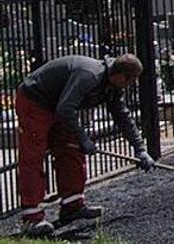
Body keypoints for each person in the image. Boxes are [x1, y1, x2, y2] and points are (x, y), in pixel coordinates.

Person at [15, 54, 155, 237]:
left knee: (72, 150)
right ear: (122, 76)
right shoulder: (90, 75)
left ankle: (72, 204)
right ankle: (31, 218)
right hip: (36, 101)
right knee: (33, 157)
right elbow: (65, 108)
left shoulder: (110, 86)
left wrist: (140, 149)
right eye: (132, 80)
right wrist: (84, 139)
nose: (132, 85)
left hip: (58, 104)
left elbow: (122, 116)